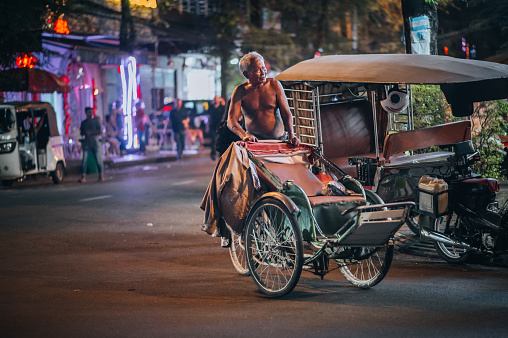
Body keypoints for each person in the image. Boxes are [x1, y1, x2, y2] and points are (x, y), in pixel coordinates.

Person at [227, 51, 300, 146]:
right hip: (254, 141)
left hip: (279, 140)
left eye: (263, 68)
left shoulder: (275, 85)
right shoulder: (240, 91)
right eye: (258, 70)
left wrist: (291, 134)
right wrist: (244, 135)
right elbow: (231, 120)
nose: (263, 73)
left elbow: (286, 113)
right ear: (246, 74)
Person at [79, 107, 104, 182]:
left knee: (98, 160)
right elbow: (81, 132)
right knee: (84, 161)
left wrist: (91, 132)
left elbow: (100, 131)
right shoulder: (84, 123)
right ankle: (83, 176)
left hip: (95, 142)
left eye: (91, 112)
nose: (90, 113)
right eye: (89, 112)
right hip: (87, 143)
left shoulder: (95, 121)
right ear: (86, 113)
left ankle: (101, 175)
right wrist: (85, 133)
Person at [208, 95, 226, 160]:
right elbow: (208, 116)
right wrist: (207, 126)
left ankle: (219, 154)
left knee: (219, 141)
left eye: (217, 99)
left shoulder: (222, 107)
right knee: (213, 141)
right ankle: (213, 154)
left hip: (220, 126)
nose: (216, 100)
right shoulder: (211, 107)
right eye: (215, 99)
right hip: (212, 126)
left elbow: (224, 115)